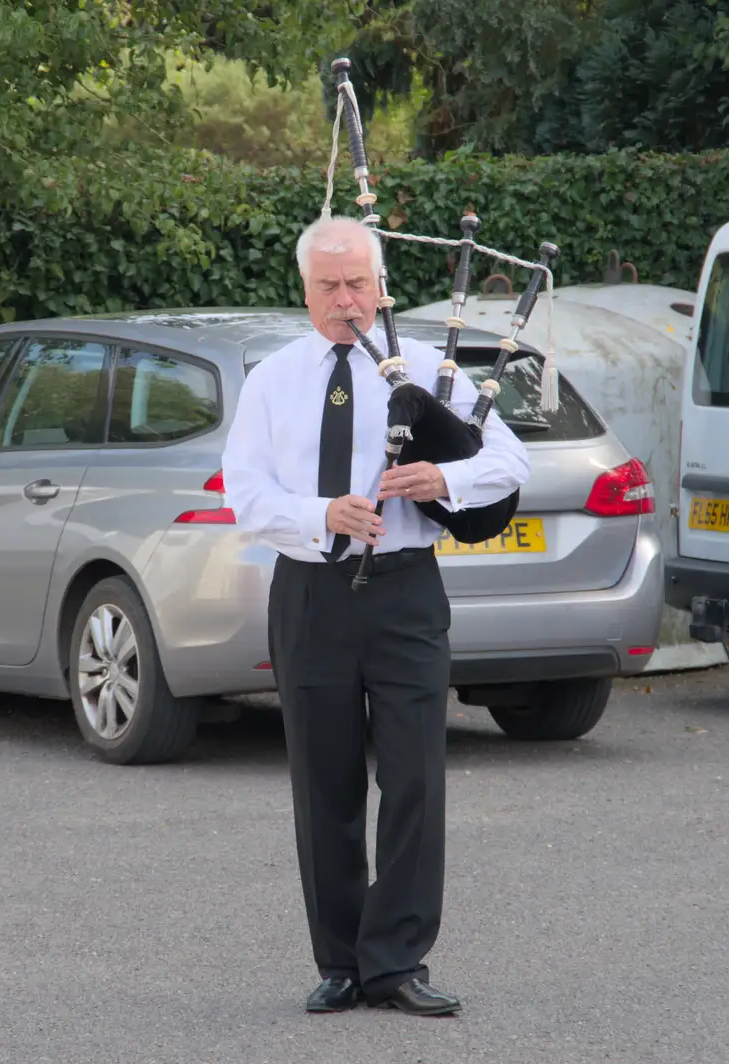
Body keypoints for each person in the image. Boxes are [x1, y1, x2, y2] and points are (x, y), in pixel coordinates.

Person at [220, 215, 531, 1016]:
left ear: (381, 285)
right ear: (305, 291)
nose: (346, 301)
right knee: (322, 783)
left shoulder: (427, 368)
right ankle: (341, 962)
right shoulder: (273, 379)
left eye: (359, 283)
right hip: (310, 595)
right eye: (328, 286)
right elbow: (247, 496)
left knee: (415, 779)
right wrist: (324, 514)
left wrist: (442, 480)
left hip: (404, 591)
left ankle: (397, 962)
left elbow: (508, 460)